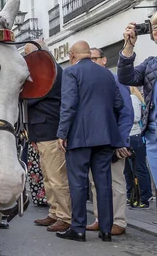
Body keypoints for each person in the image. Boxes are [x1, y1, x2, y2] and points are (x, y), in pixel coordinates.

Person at [56, 41, 128, 243]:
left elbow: (68, 105)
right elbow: (118, 103)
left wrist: (62, 133)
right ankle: (106, 229)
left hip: (80, 136)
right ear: (89, 54)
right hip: (105, 136)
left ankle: (78, 229)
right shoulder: (106, 73)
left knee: (78, 183)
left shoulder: (71, 72)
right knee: (103, 183)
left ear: (72, 55)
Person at [86, 48, 134, 236]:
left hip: (114, 141)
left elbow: (126, 112)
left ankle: (119, 221)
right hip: (95, 141)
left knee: (115, 182)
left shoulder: (115, 79)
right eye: (88, 59)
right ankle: (101, 218)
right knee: (95, 182)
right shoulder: (91, 81)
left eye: (94, 58)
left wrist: (121, 141)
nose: (91, 62)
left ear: (104, 60)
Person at [24, 41, 71, 232]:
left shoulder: (49, 70)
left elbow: (34, 97)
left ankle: (65, 216)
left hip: (50, 130)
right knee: (48, 177)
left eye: (29, 56)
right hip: (41, 131)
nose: (27, 61)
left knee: (56, 177)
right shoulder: (46, 69)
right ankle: (54, 212)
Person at [118, 14, 157, 195]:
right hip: (153, 138)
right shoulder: (151, 64)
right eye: (154, 27)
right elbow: (126, 77)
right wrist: (129, 46)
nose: (156, 30)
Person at [124, 86, 153, 209]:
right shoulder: (133, 98)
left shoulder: (132, 98)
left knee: (138, 168)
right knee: (130, 170)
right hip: (131, 136)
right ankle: (134, 196)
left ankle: (144, 197)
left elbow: (135, 117)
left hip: (134, 136)